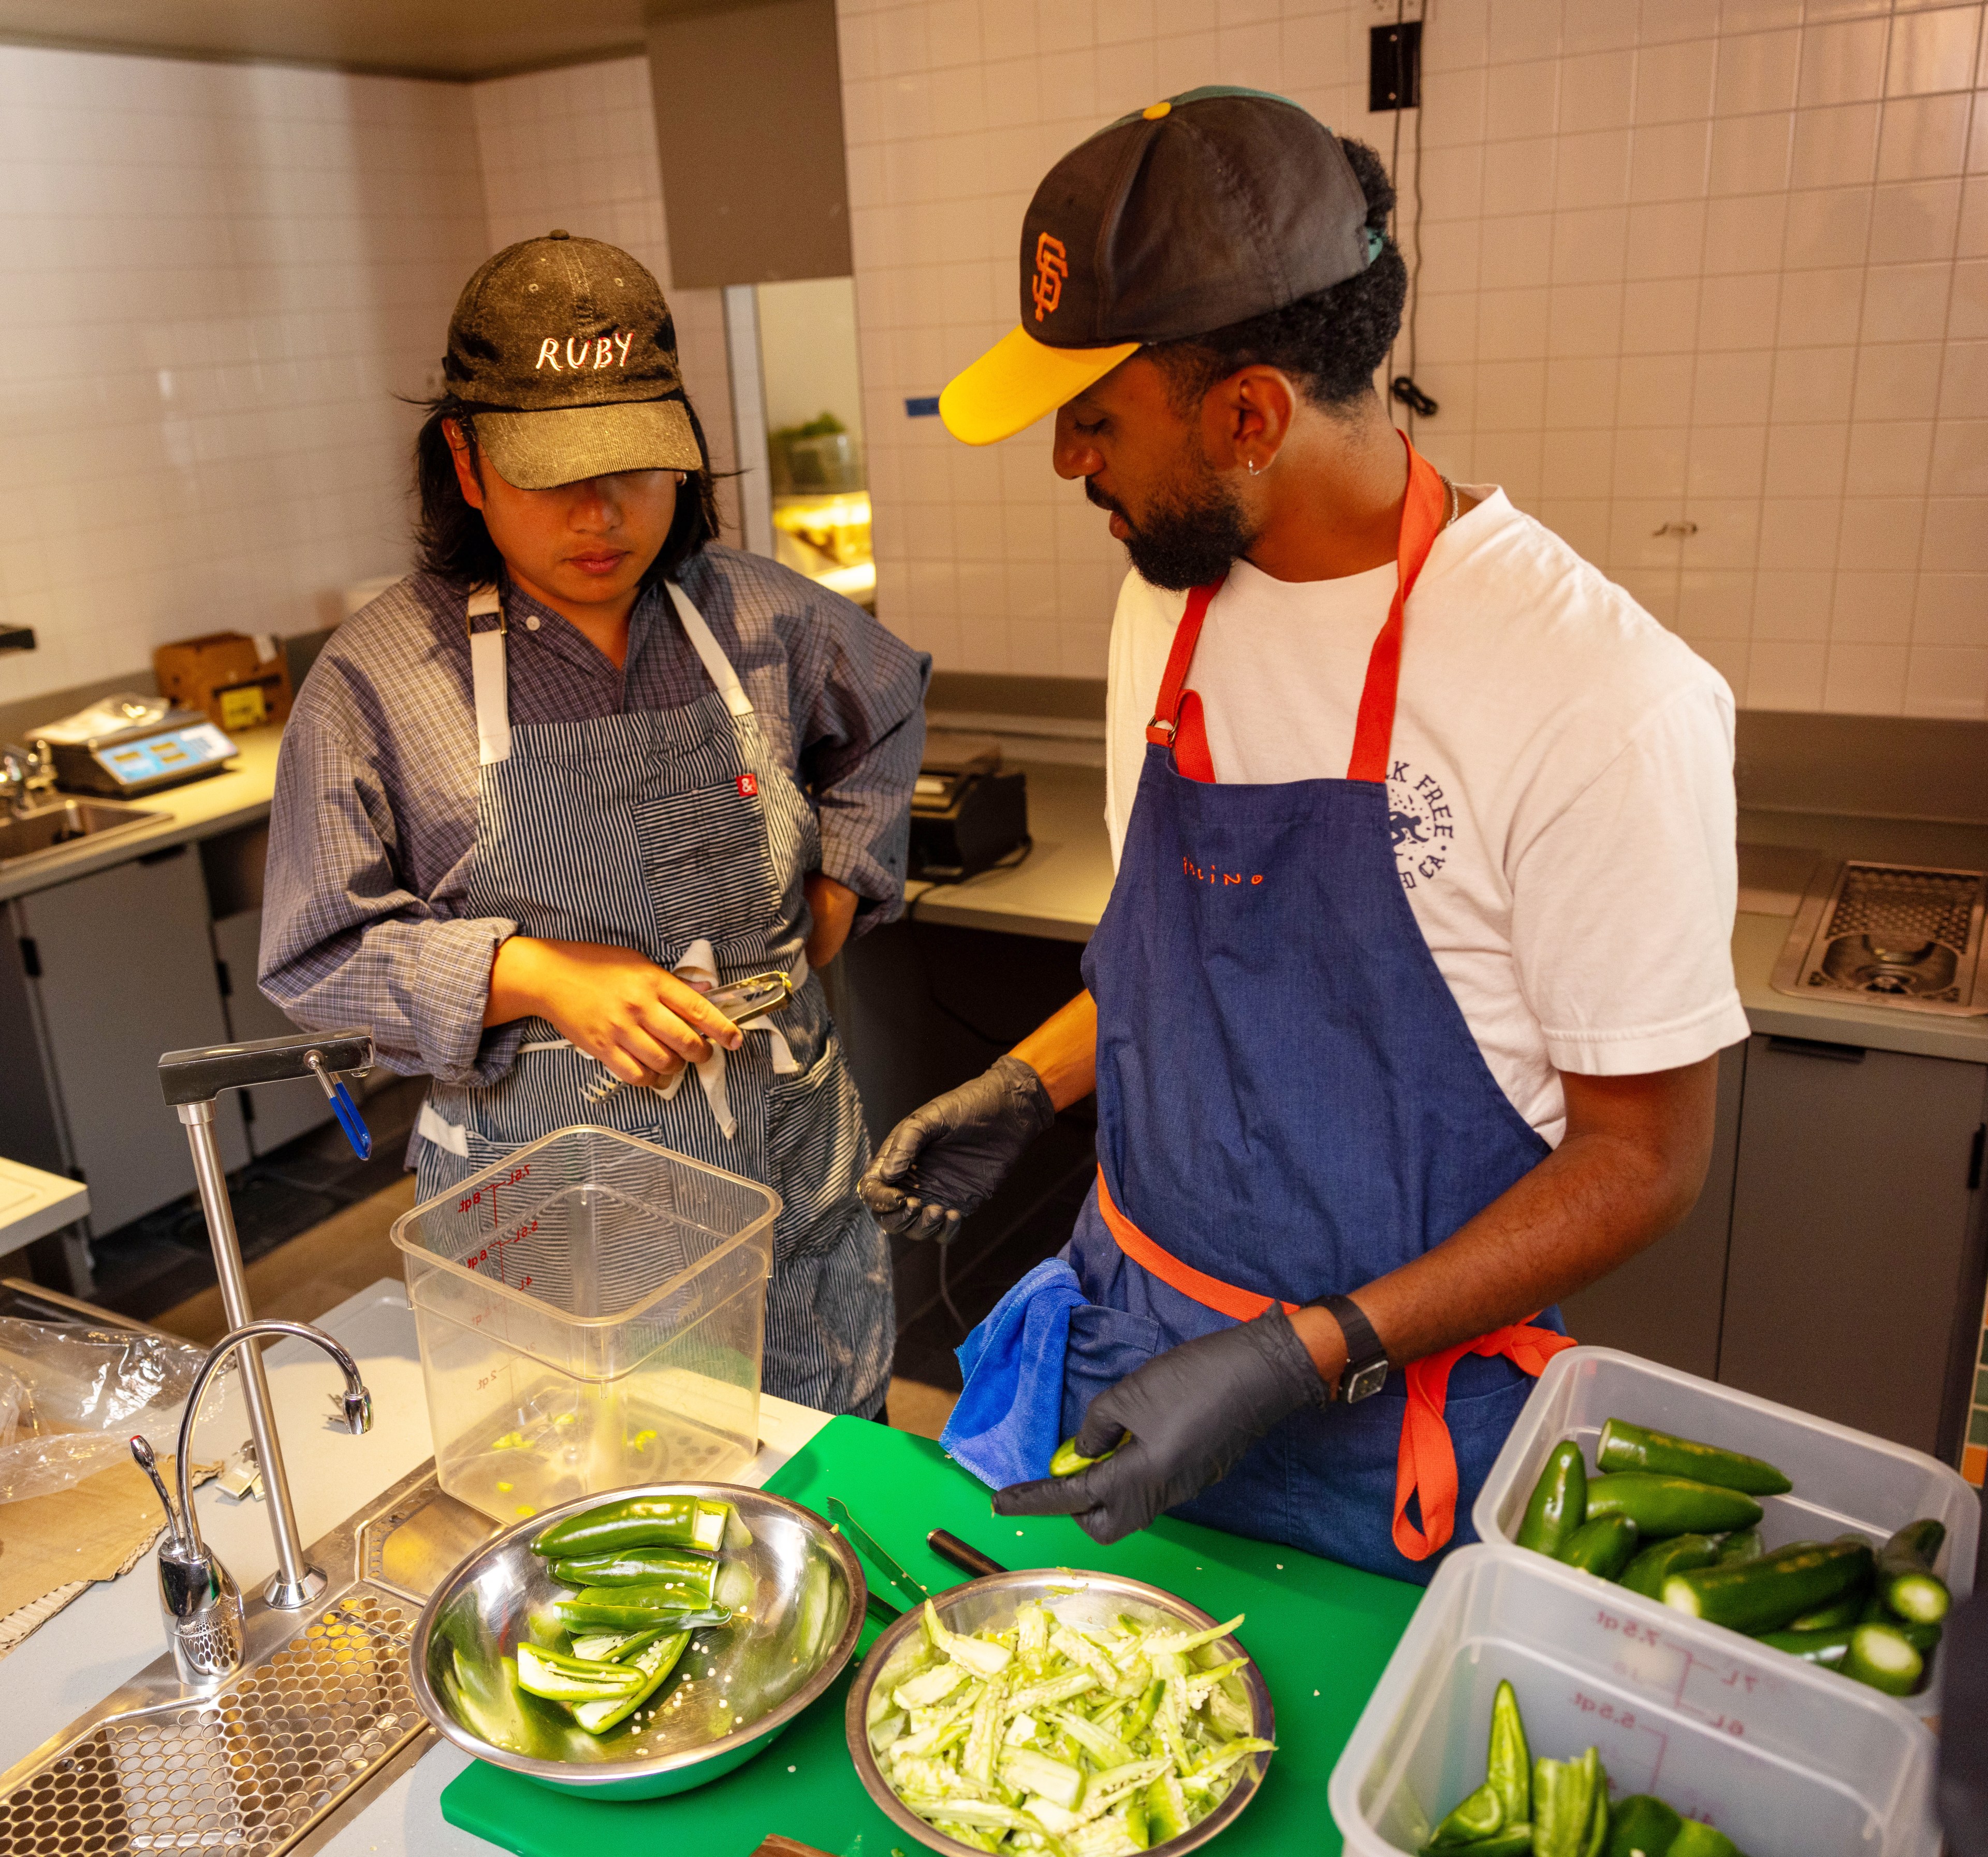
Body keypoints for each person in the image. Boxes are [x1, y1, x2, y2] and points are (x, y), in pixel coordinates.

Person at [858, 90, 1748, 1581]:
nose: (1069, 460)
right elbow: (1200, 975)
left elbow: (1643, 1158)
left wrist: (1297, 1359)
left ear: (1250, 415)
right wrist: (1031, 1077)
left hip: (1395, 1446)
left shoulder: (1601, 695)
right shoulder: (1170, 602)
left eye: (1095, 418)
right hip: (1129, 1371)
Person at [264, 231, 927, 1418]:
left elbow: (889, 706)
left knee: (825, 1498)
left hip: (787, 1163)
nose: (601, 512)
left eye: (633, 465)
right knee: (598, 1513)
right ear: (466, 465)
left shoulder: (756, 614)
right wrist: (530, 973)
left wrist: (842, 876)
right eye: (553, 472)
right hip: (549, 1212)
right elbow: (314, 959)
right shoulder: (378, 680)